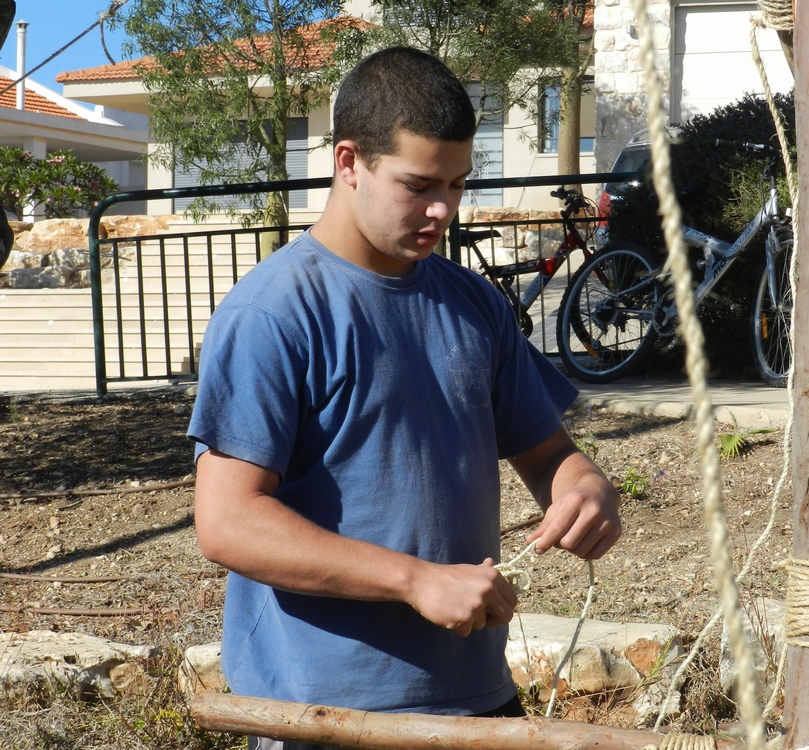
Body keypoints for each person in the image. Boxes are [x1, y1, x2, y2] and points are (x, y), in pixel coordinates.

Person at [187, 45, 621, 750]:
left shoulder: (473, 302)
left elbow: (548, 451)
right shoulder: (271, 314)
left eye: (457, 183)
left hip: (479, 704)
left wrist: (584, 486)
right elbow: (228, 522)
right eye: (420, 185)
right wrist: (414, 581)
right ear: (350, 162)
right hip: (325, 717)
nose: (444, 208)